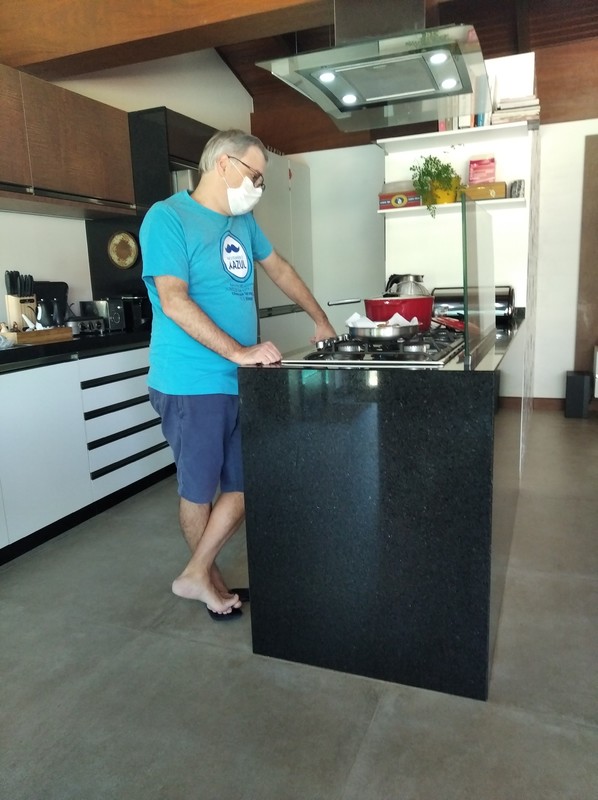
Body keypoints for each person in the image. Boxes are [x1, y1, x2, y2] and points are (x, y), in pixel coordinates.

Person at [140, 129, 336, 620]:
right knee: (198, 490)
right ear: (223, 164)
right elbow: (173, 300)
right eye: (255, 175)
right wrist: (239, 352)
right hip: (191, 382)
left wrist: (320, 319)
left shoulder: (242, 221)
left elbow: (280, 268)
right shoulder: (167, 217)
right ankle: (209, 585)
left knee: (245, 481)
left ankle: (194, 574)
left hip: (238, 379)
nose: (258, 187)